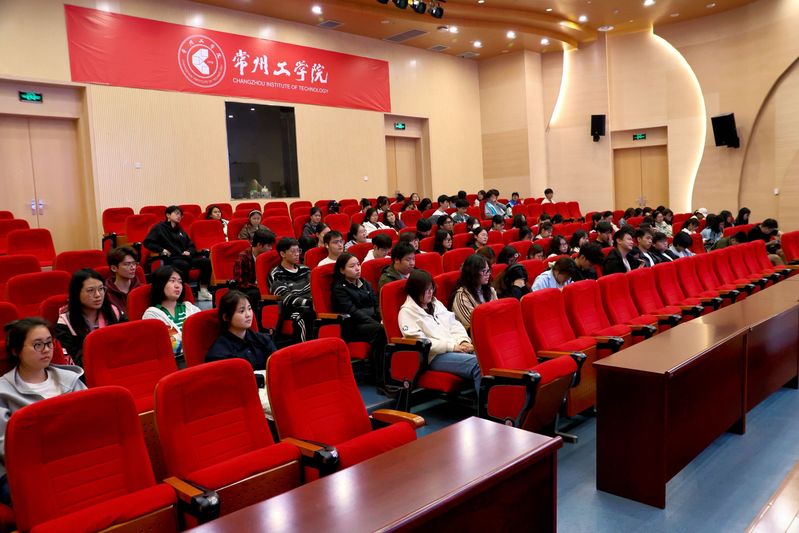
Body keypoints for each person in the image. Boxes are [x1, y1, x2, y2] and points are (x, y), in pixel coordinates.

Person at [0, 318, 86, 504]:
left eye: (49, 343)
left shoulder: (71, 379)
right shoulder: (3, 391)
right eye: (37, 345)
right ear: (16, 351)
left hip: (74, 457)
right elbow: (5, 446)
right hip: (28, 469)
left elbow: (92, 422)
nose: (46, 350)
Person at [398, 270, 481, 396]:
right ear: (416, 290)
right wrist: (452, 347)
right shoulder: (407, 312)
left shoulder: (436, 304)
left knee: (487, 359)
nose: (430, 292)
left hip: (455, 348)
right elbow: (422, 342)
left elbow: (454, 324)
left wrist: (463, 341)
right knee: (478, 365)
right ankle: (487, 406)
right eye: (426, 290)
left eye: (432, 288)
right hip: (435, 356)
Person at [331, 253, 387, 384]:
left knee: (387, 326)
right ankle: (379, 377)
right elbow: (353, 312)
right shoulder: (339, 289)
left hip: (369, 322)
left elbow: (376, 304)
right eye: (352, 266)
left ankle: (392, 372)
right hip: (352, 326)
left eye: (358, 264)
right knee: (380, 330)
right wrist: (375, 322)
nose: (357, 268)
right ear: (342, 270)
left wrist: (382, 318)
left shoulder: (365, 283)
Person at [55, 269, 126, 366]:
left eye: (101, 289)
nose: (98, 295)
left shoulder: (114, 312)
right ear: (76, 293)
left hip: (118, 364)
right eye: (90, 290)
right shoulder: (65, 322)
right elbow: (68, 360)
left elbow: (127, 342)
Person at [143, 205, 213, 301]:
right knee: (182, 264)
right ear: (168, 215)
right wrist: (162, 250)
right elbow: (148, 242)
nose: (179, 216)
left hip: (185, 257)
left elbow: (191, 244)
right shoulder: (159, 227)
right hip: (172, 258)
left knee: (206, 262)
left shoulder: (180, 230)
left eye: (180, 215)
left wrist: (189, 251)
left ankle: (203, 291)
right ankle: (184, 292)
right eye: (176, 214)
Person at [205, 290, 276, 370]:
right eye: (242, 311)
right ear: (226, 317)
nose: (248, 314)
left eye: (249, 309)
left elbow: (277, 365)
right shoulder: (219, 353)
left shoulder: (263, 340)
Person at [142, 266, 201, 357]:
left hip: (200, 357)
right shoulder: (151, 314)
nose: (178, 286)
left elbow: (206, 335)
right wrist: (195, 340)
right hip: (175, 361)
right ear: (160, 284)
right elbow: (171, 346)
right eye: (172, 281)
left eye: (180, 282)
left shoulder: (191, 308)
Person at [268, 238, 313, 342]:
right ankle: (304, 349)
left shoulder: (305, 269)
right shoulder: (276, 274)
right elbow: (286, 298)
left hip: (311, 304)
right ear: (282, 254)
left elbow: (314, 288)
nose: (297, 254)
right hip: (291, 309)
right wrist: (310, 303)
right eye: (293, 251)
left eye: (298, 250)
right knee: (303, 315)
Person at [451, 255, 497, 330]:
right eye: (484, 271)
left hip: (493, 328)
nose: (488, 274)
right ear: (472, 273)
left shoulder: (491, 290)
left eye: (488, 270)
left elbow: (498, 313)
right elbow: (473, 324)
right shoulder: (461, 297)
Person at [233, 228, 276, 309]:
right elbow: (241, 282)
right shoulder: (242, 258)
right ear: (259, 245)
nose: (271, 248)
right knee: (256, 294)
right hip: (248, 289)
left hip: (264, 287)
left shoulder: (268, 258)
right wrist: (258, 286)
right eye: (268, 246)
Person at [104, 246, 141, 314]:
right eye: (127, 264)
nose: (133, 267)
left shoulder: (141, 289)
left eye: (134, 263)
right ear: (114, 268)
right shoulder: (106, 295)